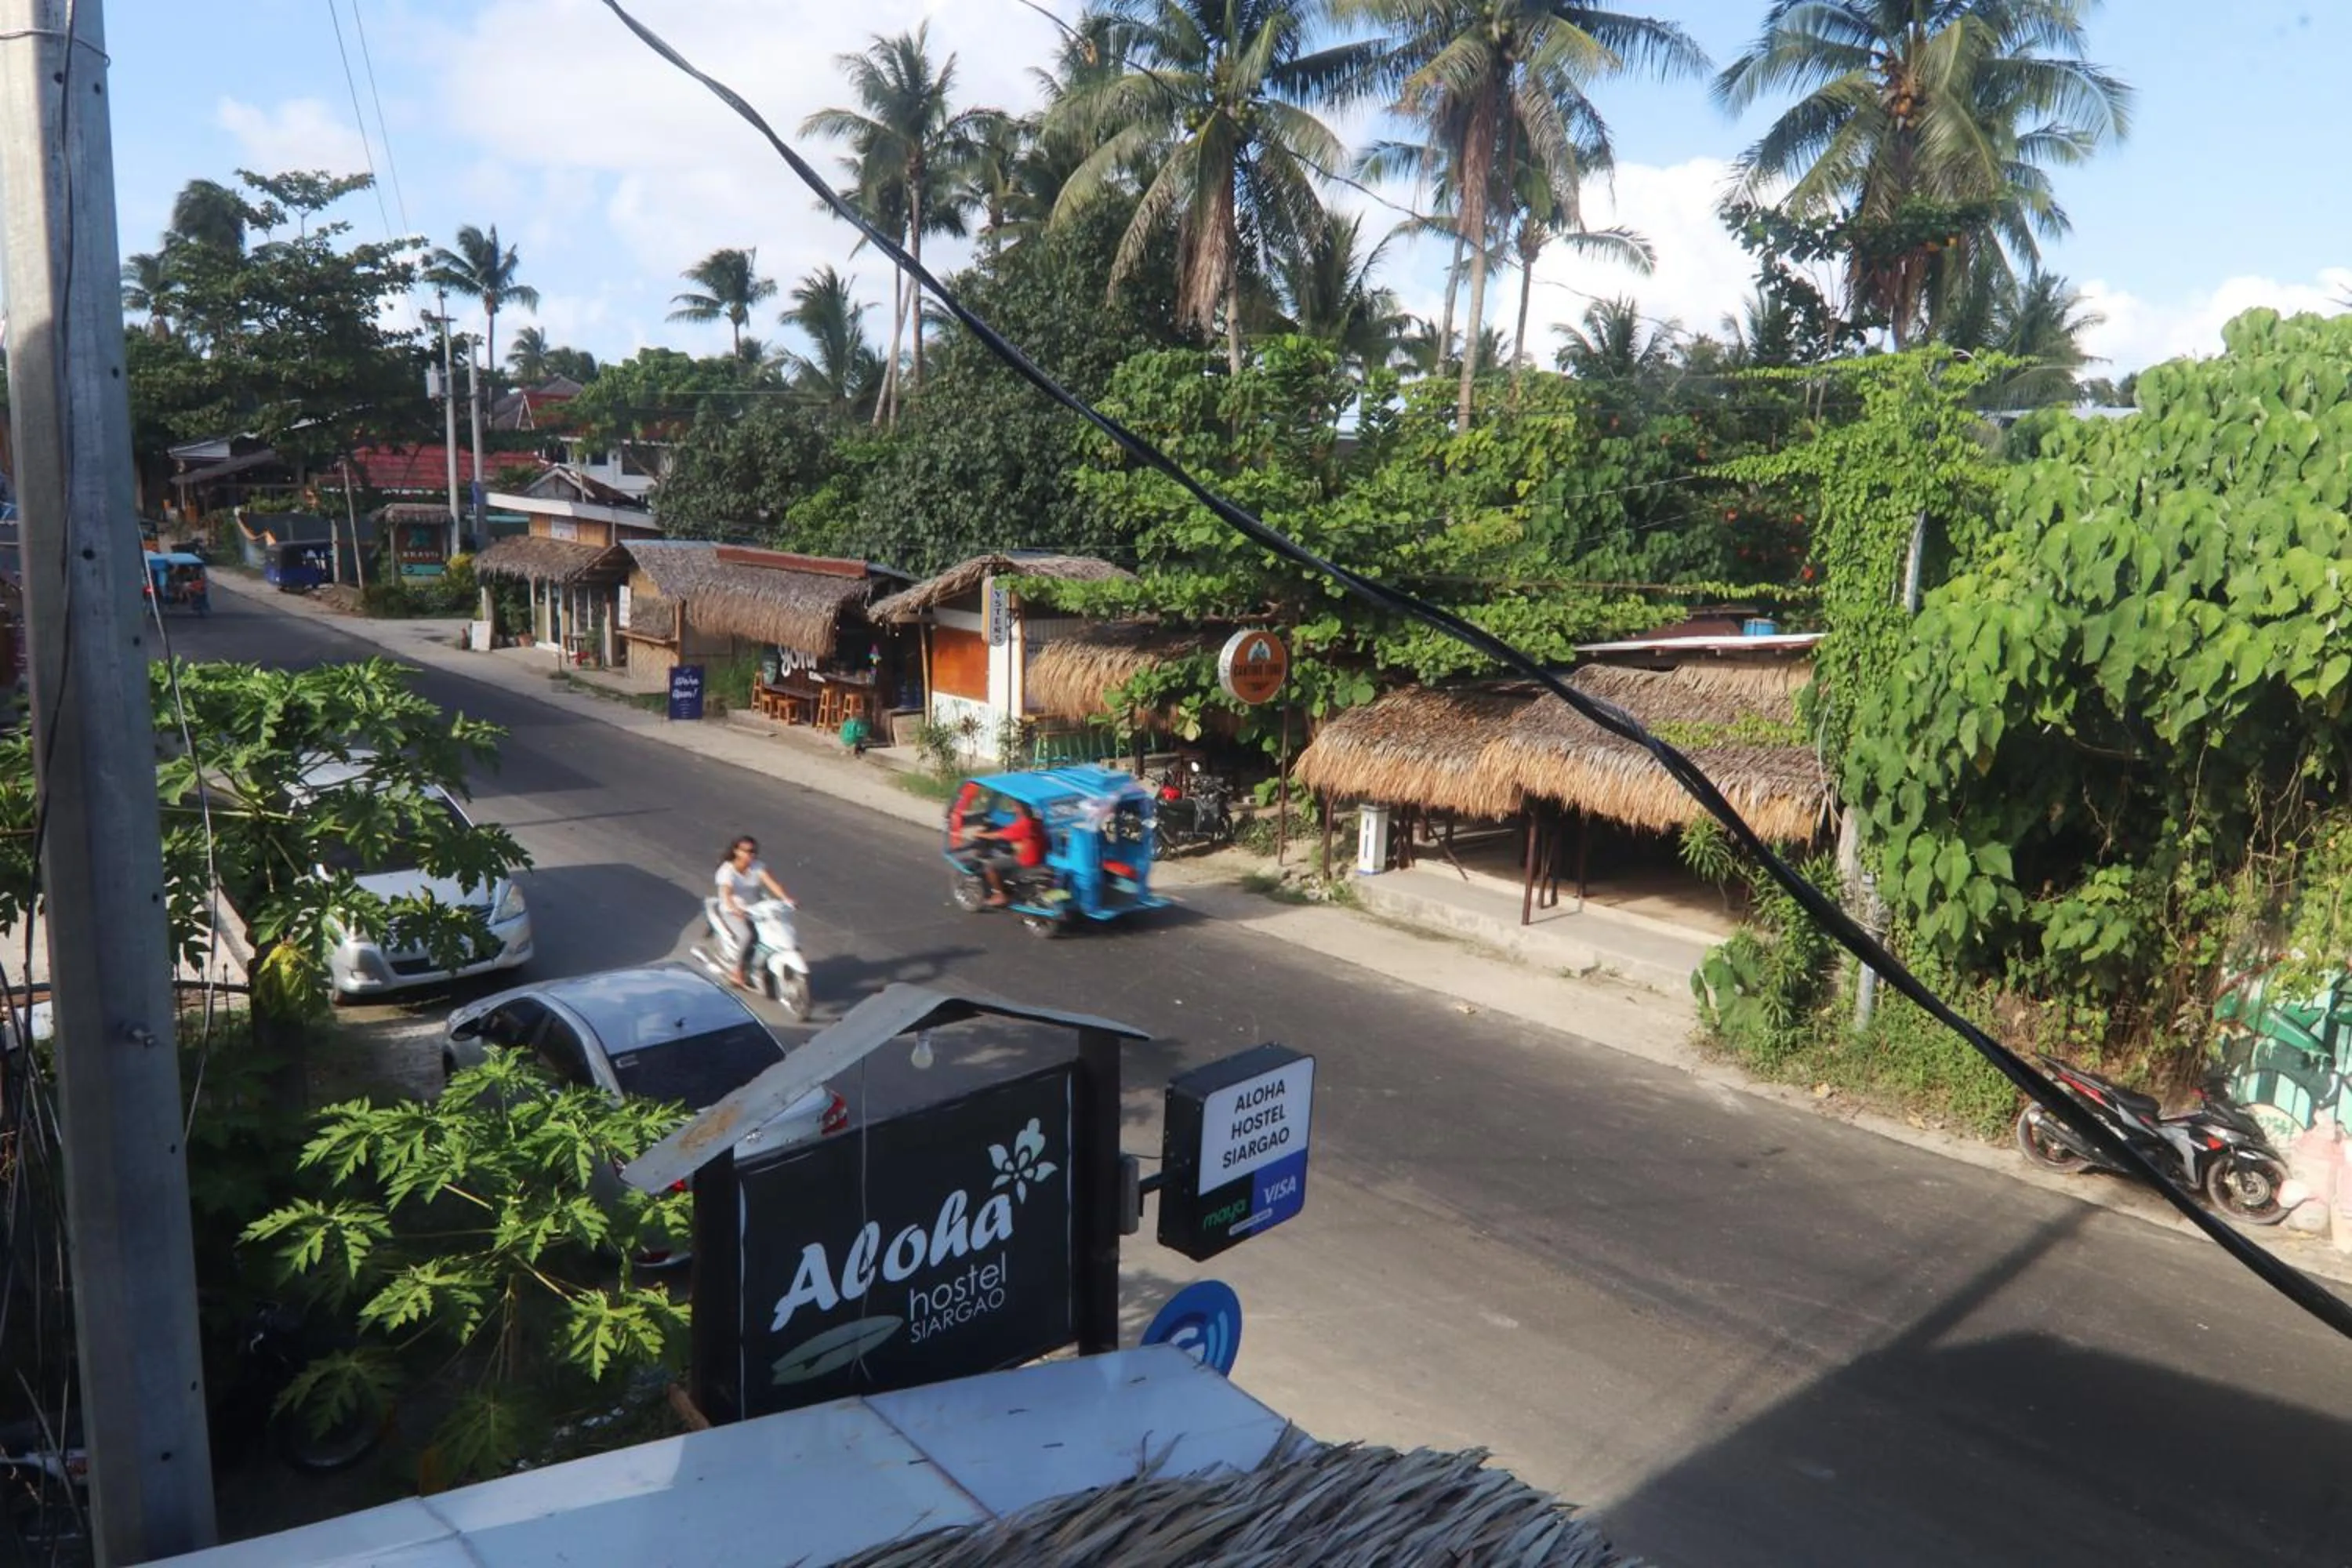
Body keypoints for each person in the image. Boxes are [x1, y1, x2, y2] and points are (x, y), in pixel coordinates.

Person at [714, 835, 793, 989]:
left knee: (773, 931)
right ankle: (737, 971)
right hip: (733, 911)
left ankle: (762, 967)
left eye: (754, 851)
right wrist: (734, 908)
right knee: (747, 935)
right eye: (747, 851)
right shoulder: (727, 871)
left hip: (757, 909)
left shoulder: (758, 866)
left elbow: (772, 884)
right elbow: (726, 893)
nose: (751, 855)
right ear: (736, 851)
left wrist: (786, 899)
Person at [971, 801, 1044, 908]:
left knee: (990, 865)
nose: (1013, 809)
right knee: (1009, 851)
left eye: (1014, 807)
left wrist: (979, 834)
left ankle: (999, 895)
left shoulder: (1024, 825)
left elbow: (998, 835)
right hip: (1038, 855)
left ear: (1020, 809)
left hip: (1026, 859)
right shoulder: (1036, 822)